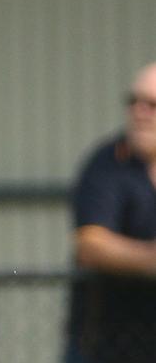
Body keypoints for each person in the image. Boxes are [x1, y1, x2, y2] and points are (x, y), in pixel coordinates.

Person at [66, 63, 156, 363]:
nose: (140, 112)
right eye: (134, 102)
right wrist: (149, 259)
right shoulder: (107, 163)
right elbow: (90, 244)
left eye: (151, 104)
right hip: (105, 345)